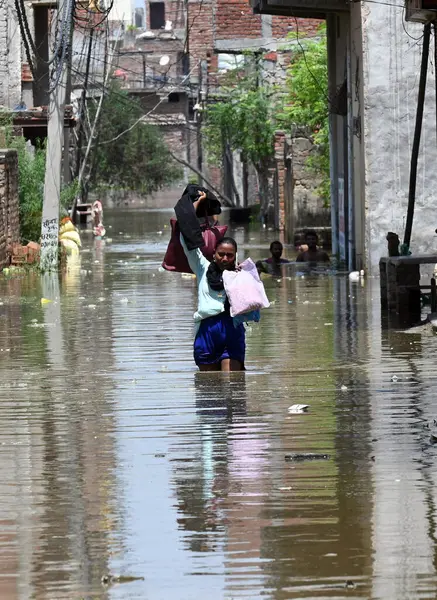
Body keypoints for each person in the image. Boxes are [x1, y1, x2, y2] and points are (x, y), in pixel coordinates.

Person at [180, 191, 247, 372]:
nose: (225, 258)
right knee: (209, 390)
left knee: (232, 385)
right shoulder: (202, 267)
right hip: (207, 331)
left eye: (229, 255)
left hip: (232, 329)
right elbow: (187, 237)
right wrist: (197, 205)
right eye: (221, 254)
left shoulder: (241, 274)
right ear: (214, 254)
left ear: (235, 256)